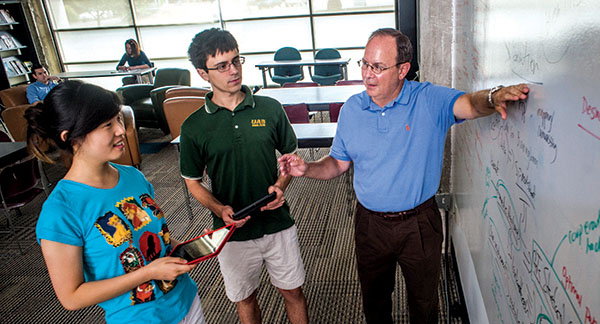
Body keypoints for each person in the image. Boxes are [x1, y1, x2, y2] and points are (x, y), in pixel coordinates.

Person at [278, 28, 529, 324]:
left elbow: (471, 104)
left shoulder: (428, 99)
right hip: (369, 225)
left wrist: (493, 96)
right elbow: (337, 164)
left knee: (424, 306)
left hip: (418, 225)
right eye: (365, 64)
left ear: (403, 70)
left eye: (379, 67)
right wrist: (308, 168)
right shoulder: (352, 110)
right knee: (375, 304)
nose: (368, 74)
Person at [27, 80, 205, 324]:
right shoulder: (61, 210)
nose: (121, 130)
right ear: (71, 138)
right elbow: (71, 297)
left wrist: (191, 246)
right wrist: (148, 273)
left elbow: (152, 236)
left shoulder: (133, 176)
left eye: (118, 119)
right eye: (106, 125)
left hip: (186, 300)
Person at [180, 28, 308, 324]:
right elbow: (192, 182)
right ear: (203, 73)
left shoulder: (270, 108)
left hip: (278, 223)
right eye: (222, 66)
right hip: (232, 233)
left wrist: (281, 184)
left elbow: (289, 158)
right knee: (245, 299)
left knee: (293, 292)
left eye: (236, 61)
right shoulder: (194, 127)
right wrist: (219, 209)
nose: (233, 70)